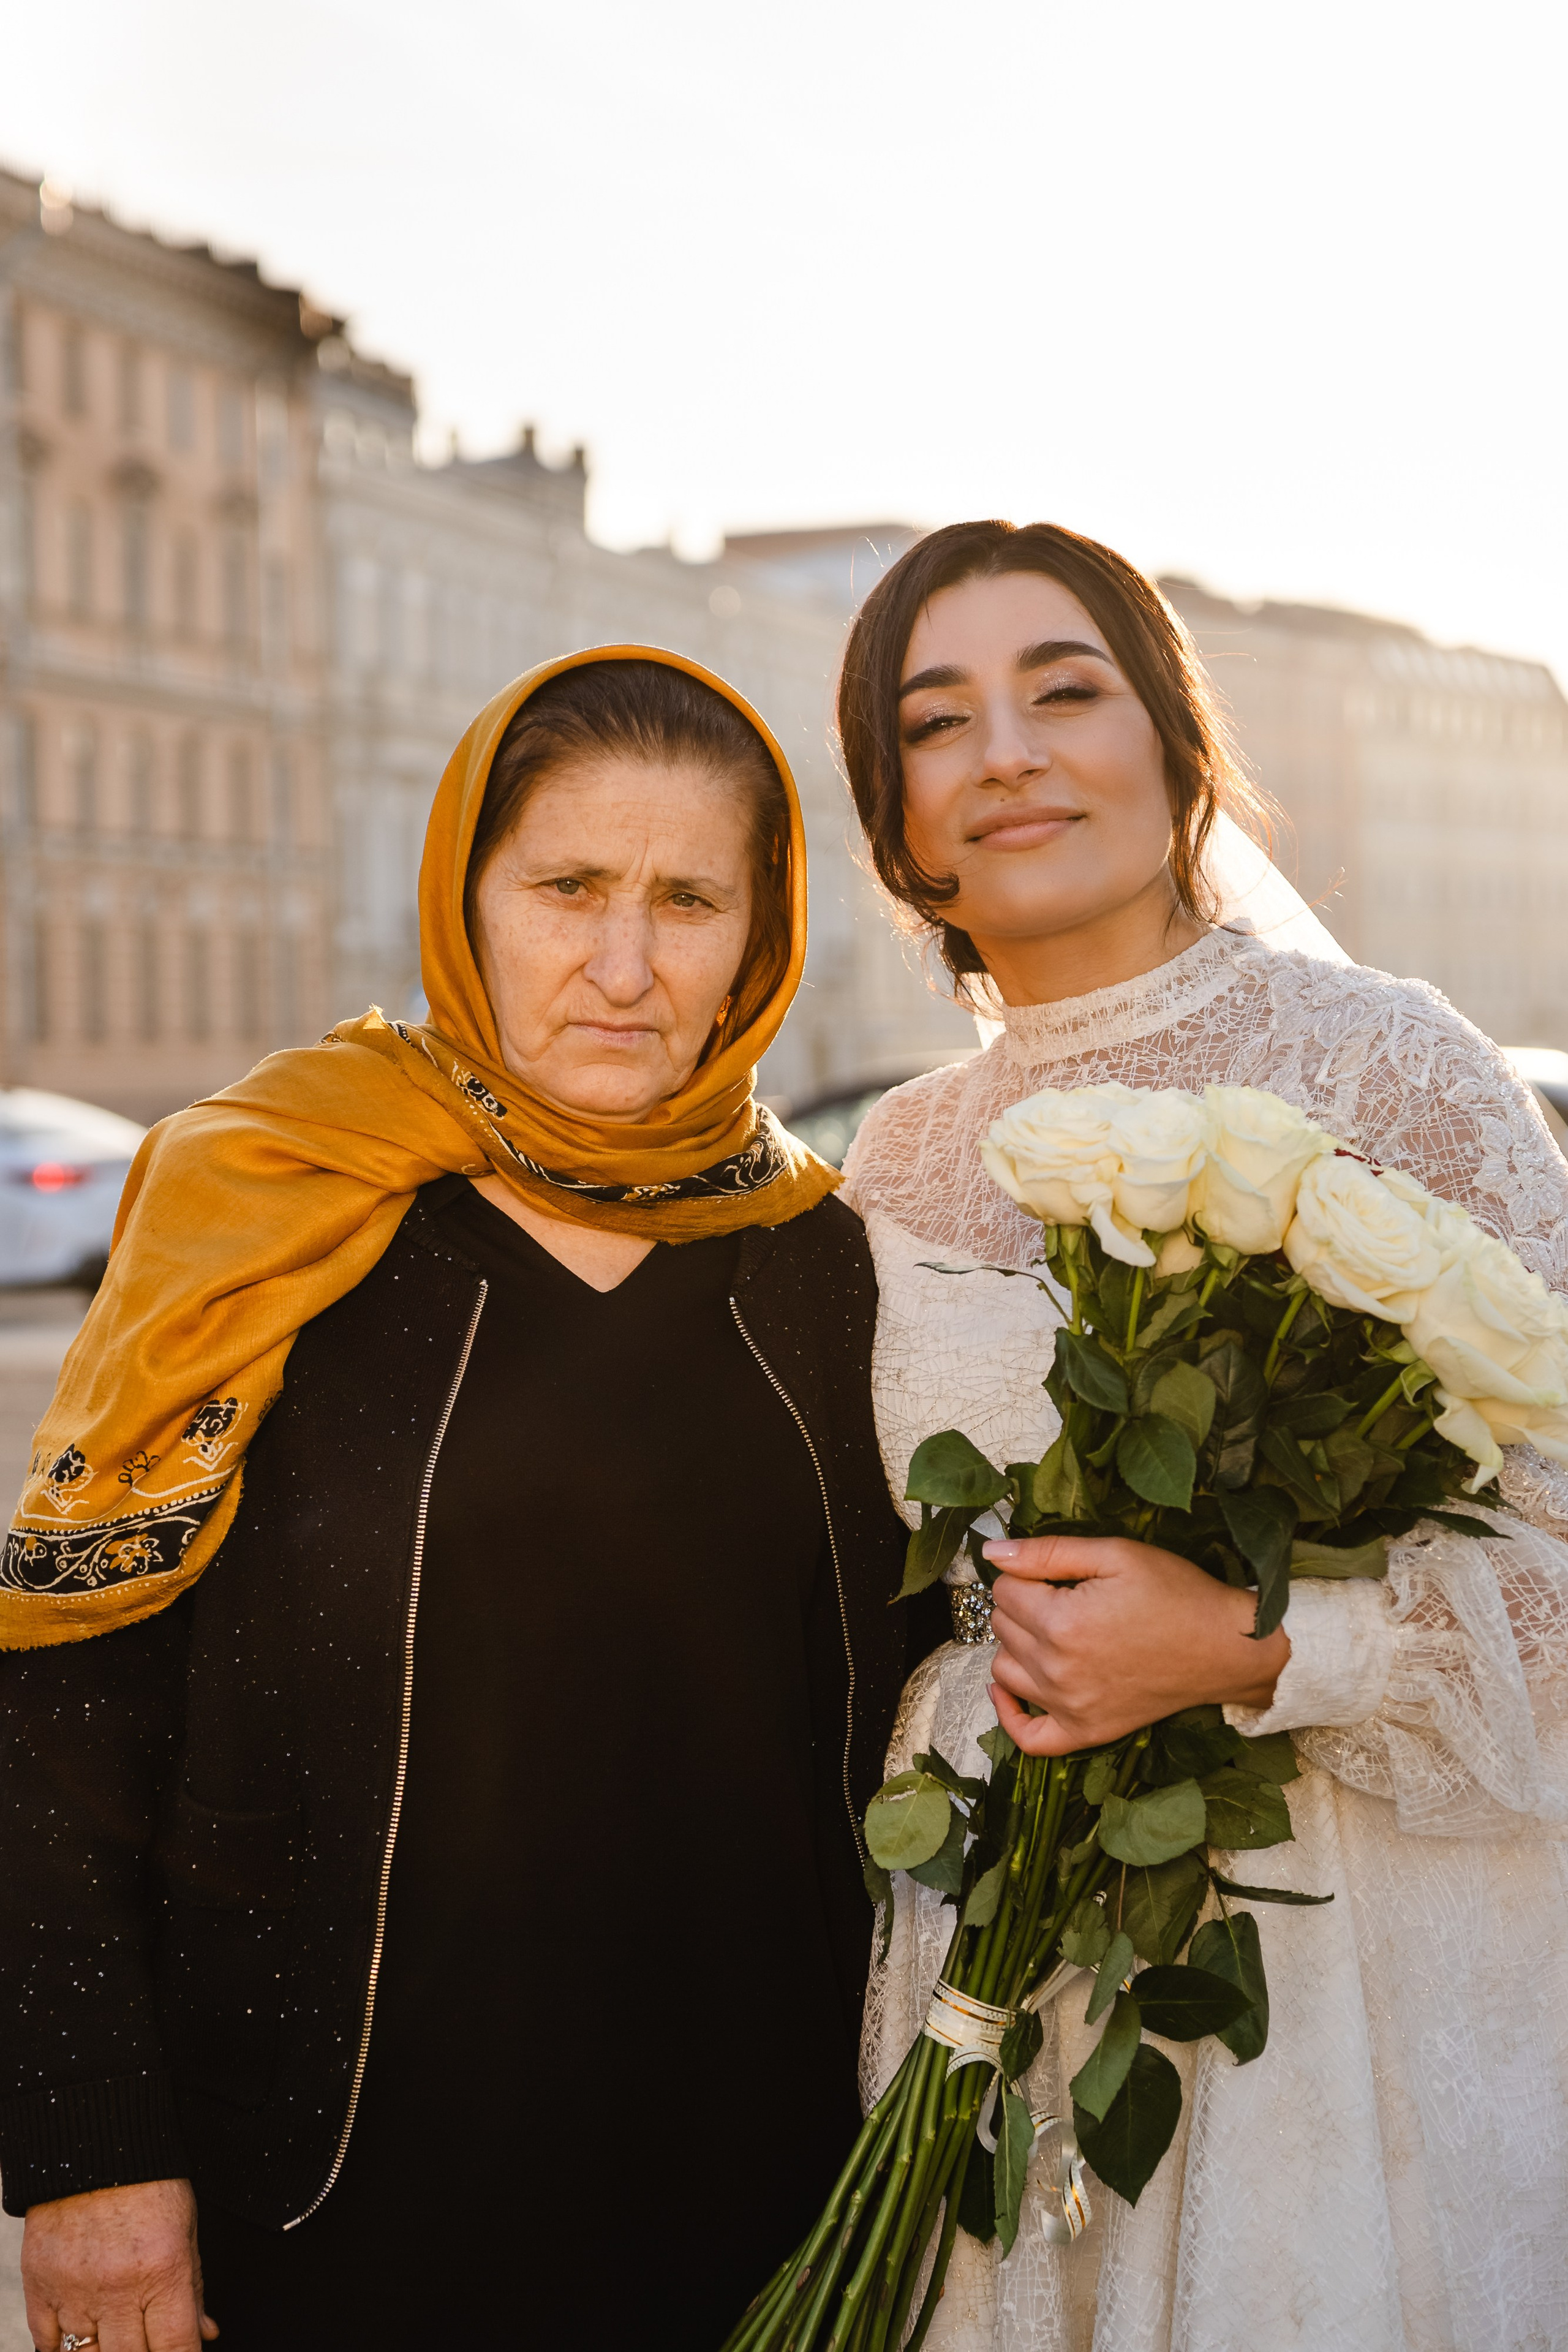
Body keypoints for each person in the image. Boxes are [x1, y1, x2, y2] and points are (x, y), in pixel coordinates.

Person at [0, 647, 943, 2352]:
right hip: (326, 2196)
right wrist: (83, 2159)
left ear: (761, 932)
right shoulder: (269, 1204)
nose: (624, 964)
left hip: (775, 2210)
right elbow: (68, 1704)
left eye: (688, 899)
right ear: (467, 891)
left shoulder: (838, 1266)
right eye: (566, 888)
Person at [835, 521, 1568, 2348]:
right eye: (940, 722)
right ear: (897, 816)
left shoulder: (1389, 1066)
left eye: (1064, 691)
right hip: (1005, 1938)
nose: (1007, 750)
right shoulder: (895, 1153)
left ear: (1175, 744)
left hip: (1337, 1948)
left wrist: (1255, 1646)